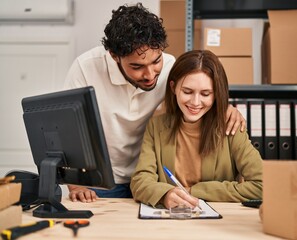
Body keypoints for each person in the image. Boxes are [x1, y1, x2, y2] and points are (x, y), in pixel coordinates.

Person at [64, 3, 246, 202]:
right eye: (137, 66)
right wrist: (75, 184)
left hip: (148, 179)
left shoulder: (169, 67)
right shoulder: (85, 68)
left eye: (156, 61)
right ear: (114, 56)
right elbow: (69, 131)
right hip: (100, 182)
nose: (150, 75)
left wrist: (223, 108)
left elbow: (194, 95)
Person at [130, 50, 263, 209]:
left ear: (216, 94)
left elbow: (262, 185)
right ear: (173, 87)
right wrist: (165, 194)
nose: (195, 102)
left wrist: (195, 191)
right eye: (187, 92)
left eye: (206, 94)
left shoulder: (231, 126)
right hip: (170, 220)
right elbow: (140, 181)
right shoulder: (156, 126)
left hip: (218, 222)